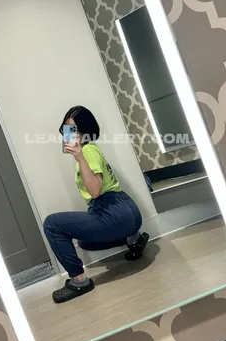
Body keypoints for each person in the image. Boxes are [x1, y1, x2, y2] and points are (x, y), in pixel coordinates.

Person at [43, 106, 149, 303]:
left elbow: (95, 191)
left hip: (113, 211)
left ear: (86, 131)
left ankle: (79, 280)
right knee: (85, 242)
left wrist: (80, 157)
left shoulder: (88, 151)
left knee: (52, 224)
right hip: (128, 211)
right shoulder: (91, 150)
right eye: (67, 129)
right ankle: (132, 239)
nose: (69, 134)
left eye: (74, 129)